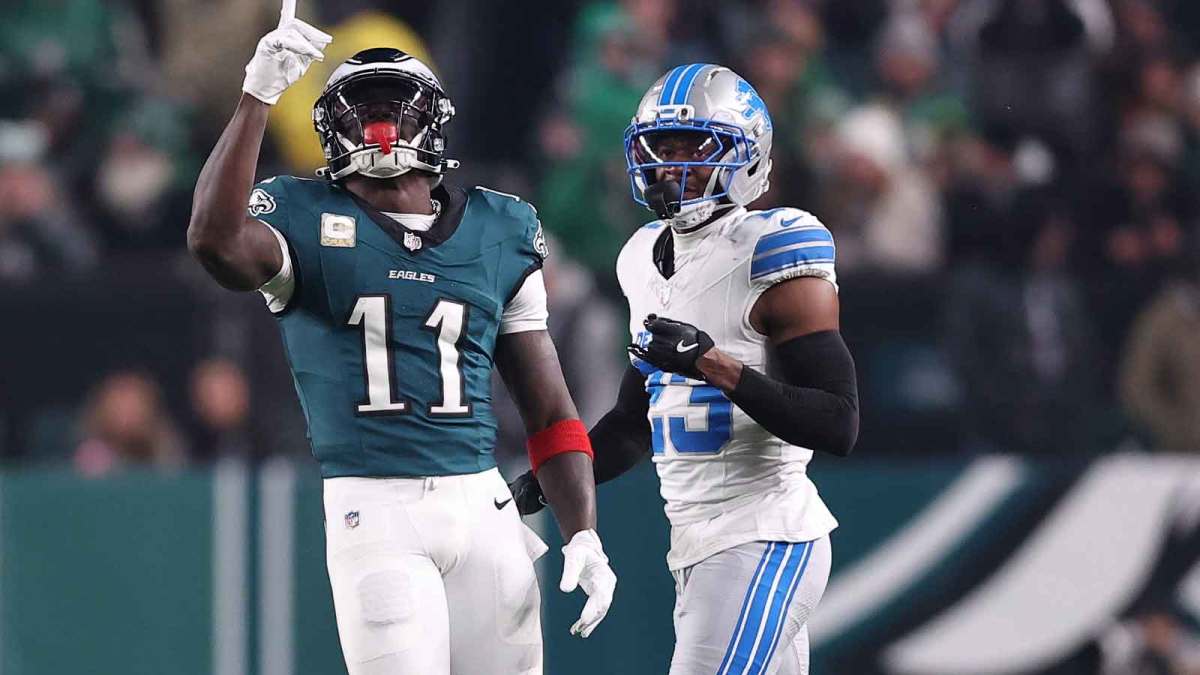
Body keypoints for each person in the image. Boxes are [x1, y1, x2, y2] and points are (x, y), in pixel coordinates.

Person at [185, 7, 616, 674]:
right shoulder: (302, 215)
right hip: (376, 511)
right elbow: (214, 241)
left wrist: (583, 529)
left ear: (435, 123)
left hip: (485, 504)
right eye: (359, 110)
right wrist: (257, 97)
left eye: (397, 107)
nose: (380, 124)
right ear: (330, 130)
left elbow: (550, 410)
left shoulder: (501, 227)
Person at [511, 64, 859, 674]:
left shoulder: (774, 246)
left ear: (746, 155)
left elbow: (838, 423)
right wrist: (539, 486)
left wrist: (714, 364)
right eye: (662, 149)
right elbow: (631, 422)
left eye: (695, 148)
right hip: (695, 540)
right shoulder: (641, 256)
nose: (672, 167)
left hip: (765, 532)